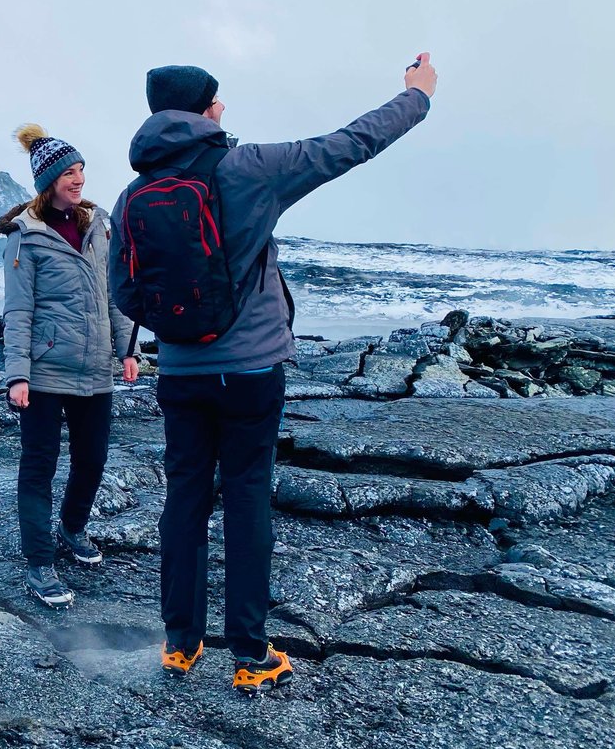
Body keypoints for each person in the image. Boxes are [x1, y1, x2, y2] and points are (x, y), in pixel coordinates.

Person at [109, 55, 438, 691]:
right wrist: (417, 97)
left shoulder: (132, 195)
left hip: (178, 372)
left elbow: (124, 290)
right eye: (217, 100)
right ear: (202, 108)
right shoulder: (248, 168)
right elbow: (350, 144)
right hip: (252, 369)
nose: (224, 108)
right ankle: (250, 655)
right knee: (248, 497)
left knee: (184, 497)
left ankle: (180, 643)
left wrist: (179, 330)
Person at [0, 124, 140, 609]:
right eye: (69, 173)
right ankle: (39, 563)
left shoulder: (98, 227)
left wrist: (127, 351)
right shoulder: (27, 238)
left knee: (93, 460)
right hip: (43, 373)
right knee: (39, 467)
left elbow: (114, 295)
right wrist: (17, 374)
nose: (78, 179)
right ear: (49, 181)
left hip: (95, 368)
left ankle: (72, 528)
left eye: (81, 170)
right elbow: (18, 311)